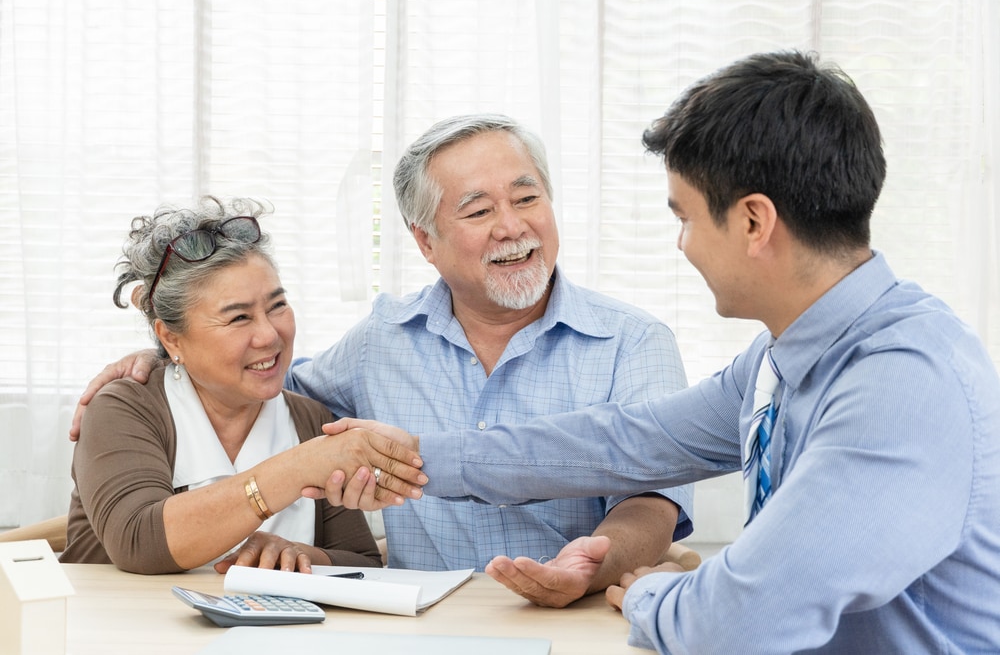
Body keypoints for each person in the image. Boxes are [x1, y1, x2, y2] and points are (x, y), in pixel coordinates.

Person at [325, 51, 1000, 653]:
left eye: (684, 217)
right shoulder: (781, 358)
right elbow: (626, 439)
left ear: (753, 222)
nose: (682, 246)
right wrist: (417, 457)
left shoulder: (902, 382)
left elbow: (734, 621)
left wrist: (645, 586)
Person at [69, 115, 694, 608]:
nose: (512, 226)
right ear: (425, 241)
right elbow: (259, 382)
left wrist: (593, 565)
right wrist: (162, 358)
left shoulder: (634, 342)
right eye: (478, 211)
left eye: (527, 198)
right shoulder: (380, 341)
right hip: (423, 623)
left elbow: (654, 499)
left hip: (575, 616)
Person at [60, 197, 425, 575]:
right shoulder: (125, 407)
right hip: (128, 630)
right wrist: (299, 468)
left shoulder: (309, 417)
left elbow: (361, 561)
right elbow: (139, 542)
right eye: (238, 318)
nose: (269, 335)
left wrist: (298, 553)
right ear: (171, 339)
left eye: (277, 306)